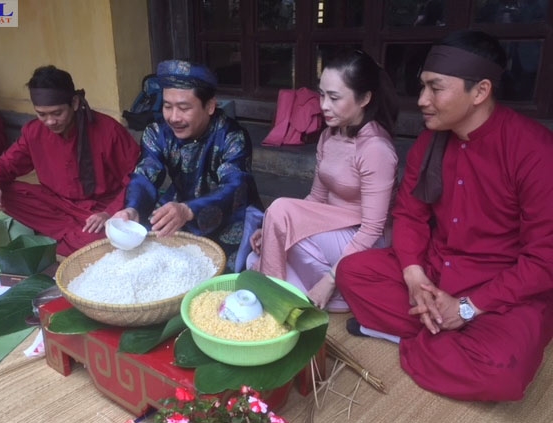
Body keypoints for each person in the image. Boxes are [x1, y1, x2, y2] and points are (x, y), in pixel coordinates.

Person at [336, 30, 553, 401]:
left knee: (503, 375)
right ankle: (445, 335)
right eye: (422, 86)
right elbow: (409, 214)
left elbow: (544, 257)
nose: (422, 100)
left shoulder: (535, 151)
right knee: (352, 273)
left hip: (501, 292)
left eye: (435, 88)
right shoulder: (430, 141)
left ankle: (419, 336)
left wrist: (468, 308)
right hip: (435, 274)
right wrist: (414, 275)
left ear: (480, 91)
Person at [247, 50, 399, 312]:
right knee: (254, 257)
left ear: (364, 98)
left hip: (363, 240)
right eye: (322, 95)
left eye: (334, 98)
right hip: (330, 231)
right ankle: (328, 296)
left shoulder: (375, 148)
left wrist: (330, 279)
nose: (324, 105)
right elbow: (316, 199)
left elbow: (373, 228)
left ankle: (329, 289)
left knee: (280, 214)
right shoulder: (329, 136)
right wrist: (274, 229)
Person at [113, 60, 261, 271]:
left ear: (210, 106)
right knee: (143, 248)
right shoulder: (157, 133)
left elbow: (235, 187)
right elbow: (146, 173)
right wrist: (133, 208)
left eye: (184, 108)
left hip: (229, 212)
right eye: (167, 106)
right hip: (180, 201)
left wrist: (189, 210)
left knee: (222, 268)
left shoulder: (232, 137)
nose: (174, 118)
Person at [0, 65, 140, 256]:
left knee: (111, 236)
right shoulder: (34, 132)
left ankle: (67, 238)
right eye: (42, 114)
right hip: (57, 203)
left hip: (99, 208)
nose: (50, 121)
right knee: (3, 192)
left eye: (57, 113)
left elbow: (137, 178)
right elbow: (5, 164)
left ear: (74, 103)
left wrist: (109, 212)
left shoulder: (109, 131)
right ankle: (75, 237)